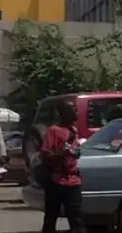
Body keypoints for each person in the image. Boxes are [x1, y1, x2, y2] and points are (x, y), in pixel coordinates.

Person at [41, 100, 85, 233]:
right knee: (51, 217)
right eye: (73, 109)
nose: (77, 112)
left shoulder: (74, 131)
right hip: (57, 180)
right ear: (64, 113)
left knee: (77, 218)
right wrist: (60, 154)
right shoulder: (53, 131)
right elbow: (45, 154)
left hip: (73, 181)